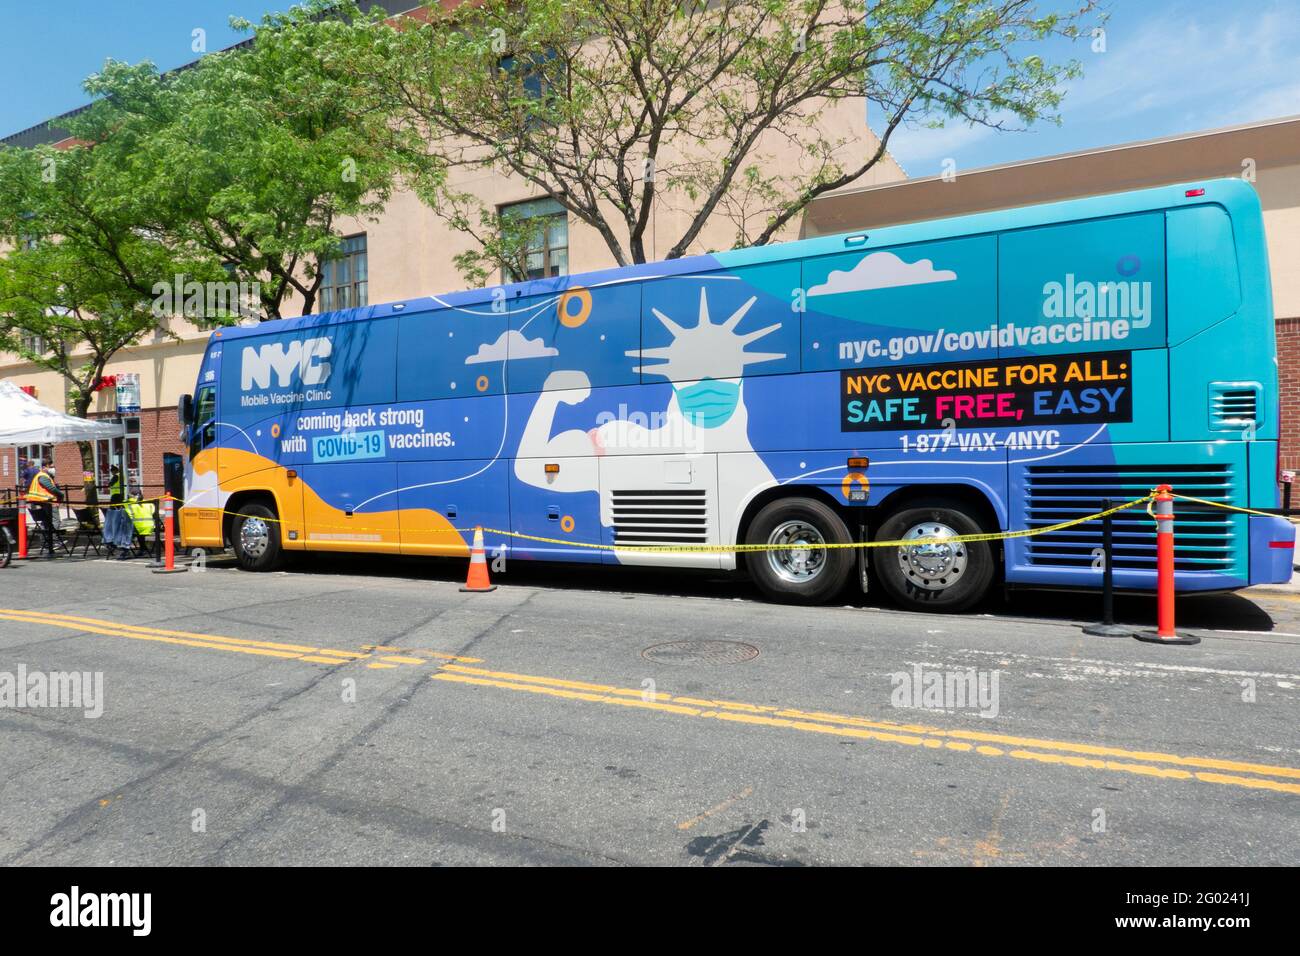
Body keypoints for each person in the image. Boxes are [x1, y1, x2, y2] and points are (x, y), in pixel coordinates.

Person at [26, 460, 65, 558]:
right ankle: (53, 541)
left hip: (40, 502)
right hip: (47, 502)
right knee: (54, 521)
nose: (53, 469)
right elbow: (50, 488)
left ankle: (46, 542)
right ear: (45, 467)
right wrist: (60, 494)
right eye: (51, 466)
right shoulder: (43, 476)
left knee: (44, 523)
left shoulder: (41, 475)